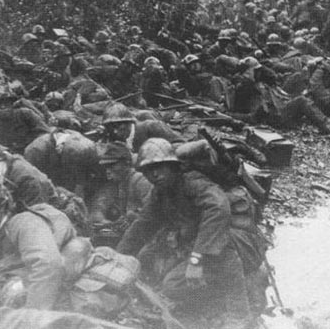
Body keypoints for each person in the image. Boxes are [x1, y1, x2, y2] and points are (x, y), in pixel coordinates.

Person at [117, 138, 255, 329]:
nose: (154, 174)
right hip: (199, 244)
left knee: (223, 254)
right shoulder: (160, 192)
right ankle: (211, 297)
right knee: (169, 283)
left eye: (159, 167)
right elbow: (142, 225)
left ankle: (239, 314)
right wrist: (117, 257)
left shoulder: (193, 181)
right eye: (149, 170)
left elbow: (218, 208)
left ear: (172, 166)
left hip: (234, 241)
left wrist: (195, 261)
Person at [0, 169, 78, 310]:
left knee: (15, 290)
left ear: (2, 206)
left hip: (58, 289)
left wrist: (30, 317)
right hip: (34, 290)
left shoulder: (24, 223)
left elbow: (48, 265)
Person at [0, 81, 52, 154]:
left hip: (33, 153)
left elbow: (45, 133)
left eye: (6, 102)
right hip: (7, 157)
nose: (3, 106)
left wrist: (33, 147)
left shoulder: (25, 114)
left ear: (11, 102)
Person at [90, 142, 152, 229]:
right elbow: (100, 205)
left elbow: (154, 212)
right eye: (106, 167)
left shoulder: (140, 181)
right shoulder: (121, 184)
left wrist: (134, 217)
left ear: (126, 163)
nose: (108, 171)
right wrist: (110, 224)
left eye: (112, 165)